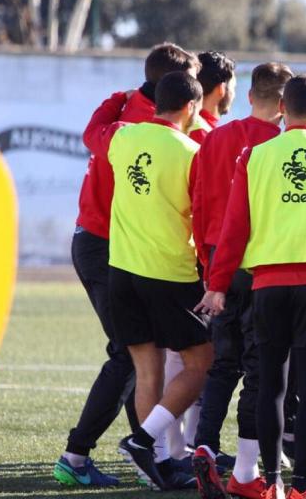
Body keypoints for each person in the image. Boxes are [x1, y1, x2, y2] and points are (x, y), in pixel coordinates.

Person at [196, 74, 306, 499]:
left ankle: (271, 483)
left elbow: (234, 229)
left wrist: (217, 285)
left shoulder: (254, 156)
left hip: (266, 285)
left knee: (270, 384)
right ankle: (302, 487)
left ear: (282, 110)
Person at [54, 43, 199, 490]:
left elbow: (91, 131)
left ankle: (155, 455)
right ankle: (77, 454)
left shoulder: (120, 121)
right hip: (108, 246)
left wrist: (115, 99)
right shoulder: (160, 134)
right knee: (128, 353)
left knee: (143, 355)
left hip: (108, 245)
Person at [94, 71, 213, 491]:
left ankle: (155, 463)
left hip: (121, 270)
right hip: (167, 271)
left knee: (149, 371)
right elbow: (201, 215)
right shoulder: (192, 151)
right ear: (193, 107)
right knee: (201, 363)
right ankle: (144, 441)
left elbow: (97, 135)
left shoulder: (123, 138)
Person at [191, 62, 292, 499]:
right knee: (259, 368)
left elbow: (196, 203)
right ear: (286, 105)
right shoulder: (283, 147)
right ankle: (249, 466)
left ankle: (205, 447)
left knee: (222, 363)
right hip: (258, 266)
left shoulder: (214, 139)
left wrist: (206, 264)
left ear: (250, 96)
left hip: (217, 261)